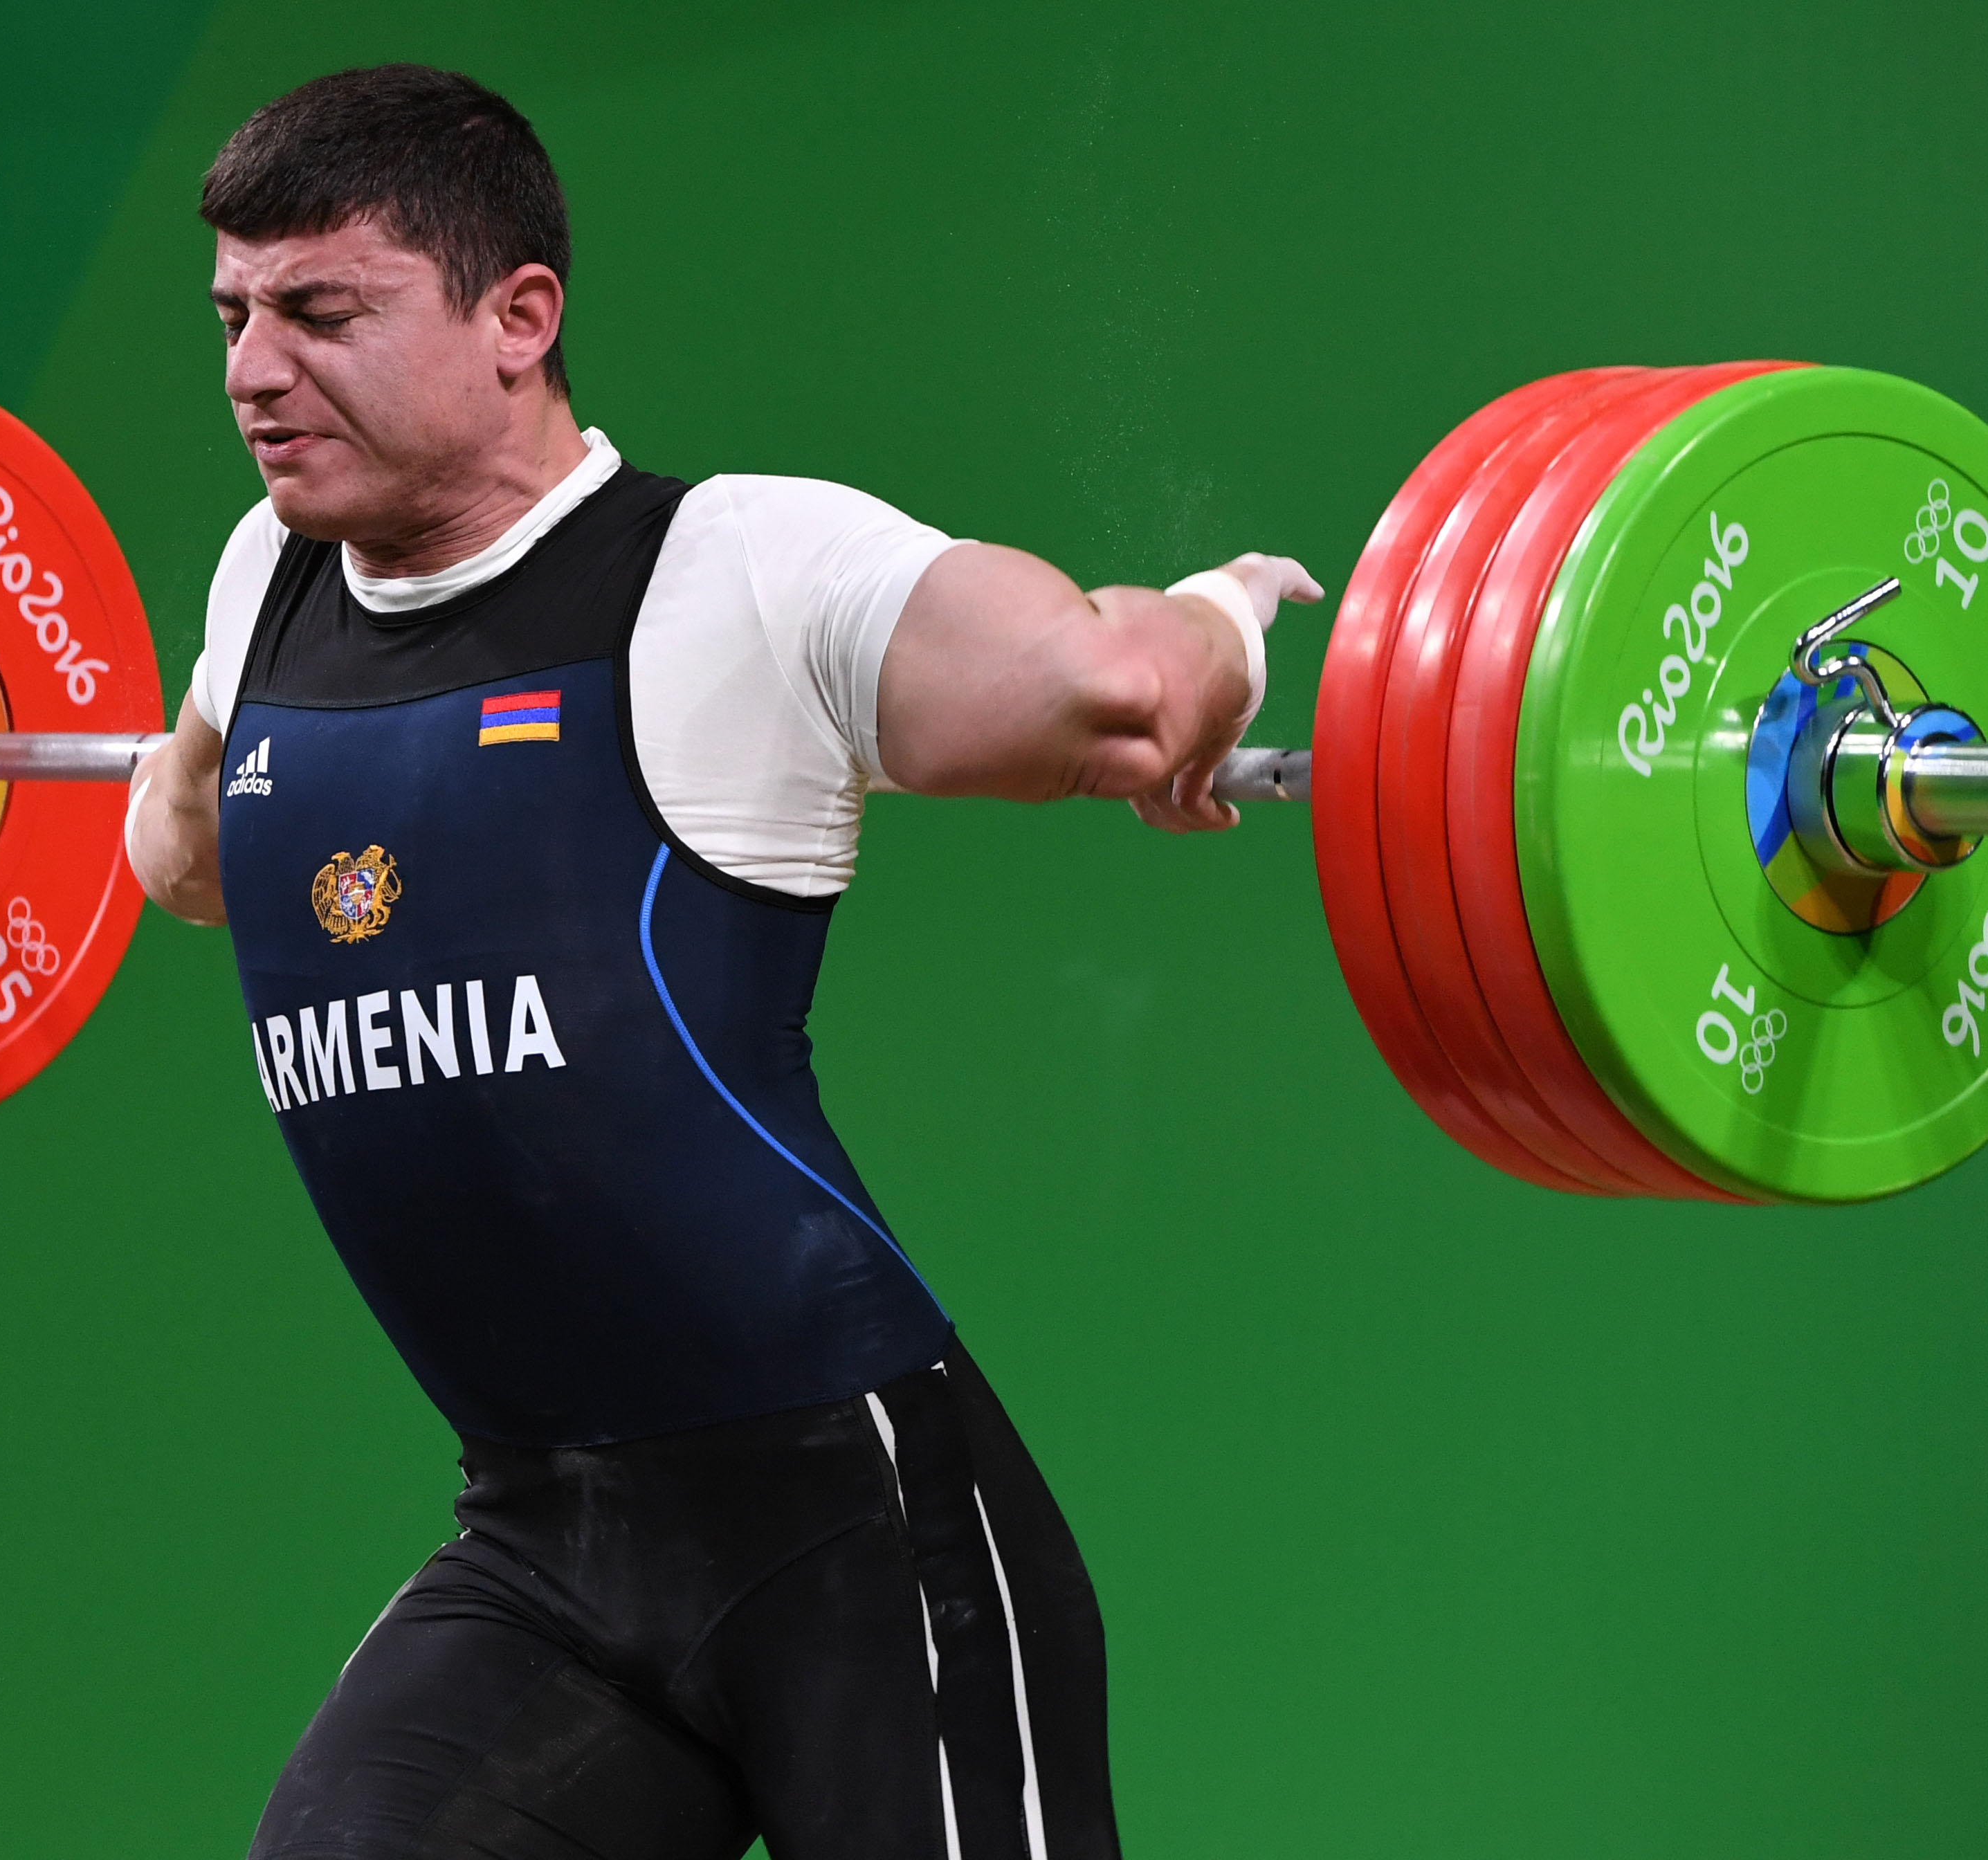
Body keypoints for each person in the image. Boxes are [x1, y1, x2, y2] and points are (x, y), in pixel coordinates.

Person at [126, 63, 1320, 1860]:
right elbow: (192, 861)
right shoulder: (268, 579)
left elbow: (1109, 690)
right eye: (230, 316)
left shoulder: (737, 574)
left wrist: (1214, 617)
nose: (249, 371)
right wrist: (157, 785)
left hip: (856, 1542)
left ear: (517, 317)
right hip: (538, 1541)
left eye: (320, 313)